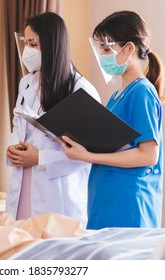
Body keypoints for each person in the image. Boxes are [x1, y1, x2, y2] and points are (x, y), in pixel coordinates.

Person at [60, 11, 165, 230]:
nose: (102, 55)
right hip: (106, 197)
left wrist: (88, 155)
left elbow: (149, 155)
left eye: (107, 49)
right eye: (100, 49)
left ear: (129, 49)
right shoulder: (117, 95)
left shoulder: (141, 93)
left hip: (128, 203)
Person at [6, 12, 100, 225]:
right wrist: (12, 148)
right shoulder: (27, 82)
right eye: (26, 42)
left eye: (33, 43)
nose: (28, 50)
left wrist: (40, 158)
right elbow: (17, 126)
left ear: (52, 44)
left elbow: (88, 153)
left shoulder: (80, 90)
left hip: (57, 193)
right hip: (22, 185)